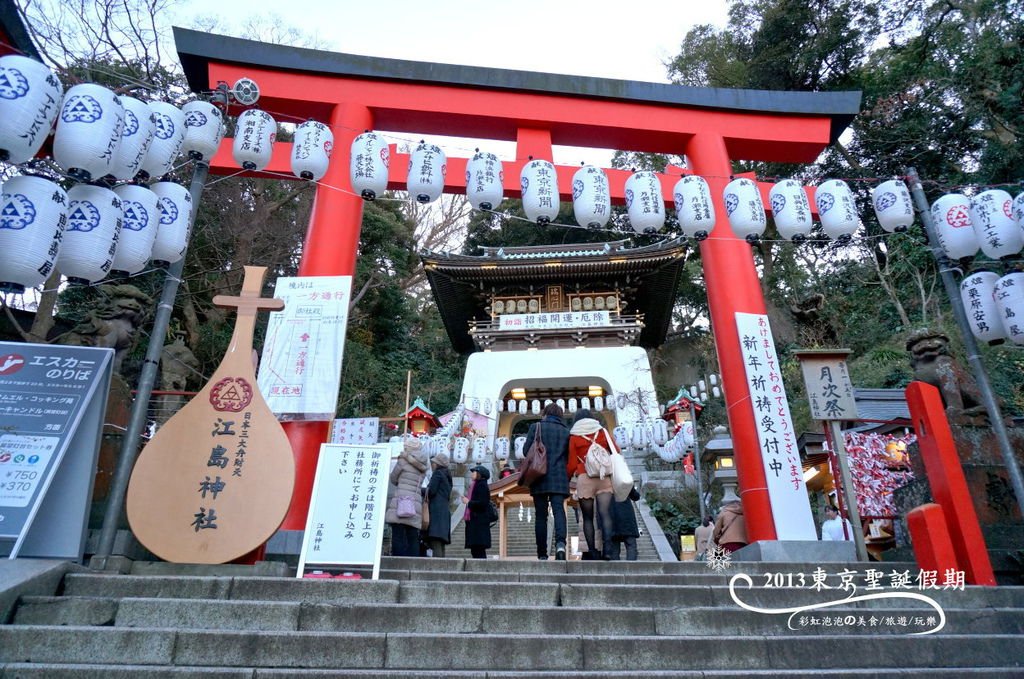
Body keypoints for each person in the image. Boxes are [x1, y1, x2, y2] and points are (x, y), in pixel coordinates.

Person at [567, 408, 618, 561]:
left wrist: (568, 476)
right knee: (605, 514)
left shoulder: (574, 436)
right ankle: (608, 549)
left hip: (585, 477)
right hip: (604, 477)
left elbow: (571, 463)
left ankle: (592, 552)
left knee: (588, 518)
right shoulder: (602, 432)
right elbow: (616, 451)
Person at [522, 403, 571, 560]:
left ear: (545, 413)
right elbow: (569, 457)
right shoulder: (566, 431)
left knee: (541, 516)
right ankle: (561, 545)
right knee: (559, 512)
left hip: (538, 476)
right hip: (559, 478)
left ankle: (542, 553)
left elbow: (525, 451)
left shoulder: (536, 427)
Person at [385, 437, 428, 557]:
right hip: (415, 500)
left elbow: (393, 478)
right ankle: (413, 560)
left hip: (401, 499)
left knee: (398, 532)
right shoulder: (424, 465)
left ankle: (398, 560)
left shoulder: (403, 461)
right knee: (412, 533)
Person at [425, 452, 453, 557]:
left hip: (436, 510)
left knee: (435, 540)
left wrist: (420, 490)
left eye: (434, 463)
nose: (432, 465)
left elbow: (431, 491)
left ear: (438, 464)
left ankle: (438, 566)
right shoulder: (447, 476)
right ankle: (443, 567)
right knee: (440, 542)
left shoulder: (437, 474)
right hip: (444, 511)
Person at [462, 464, 492, 559]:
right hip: (474, 522)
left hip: (479, 522)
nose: (472, 473)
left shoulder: (482, 485)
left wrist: (469, 502)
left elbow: (483, 503)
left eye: (474, 472)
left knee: (479, 550)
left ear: (480, 474)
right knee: (475, 549)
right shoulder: (475, 485)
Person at [609, 485, 641, 561]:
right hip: (626, 513)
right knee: (631, 544)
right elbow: (635, 496)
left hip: (611, 514)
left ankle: (616, 571)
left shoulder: (605, 478)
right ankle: (631, 569)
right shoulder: (624, 479)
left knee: (614, 546)